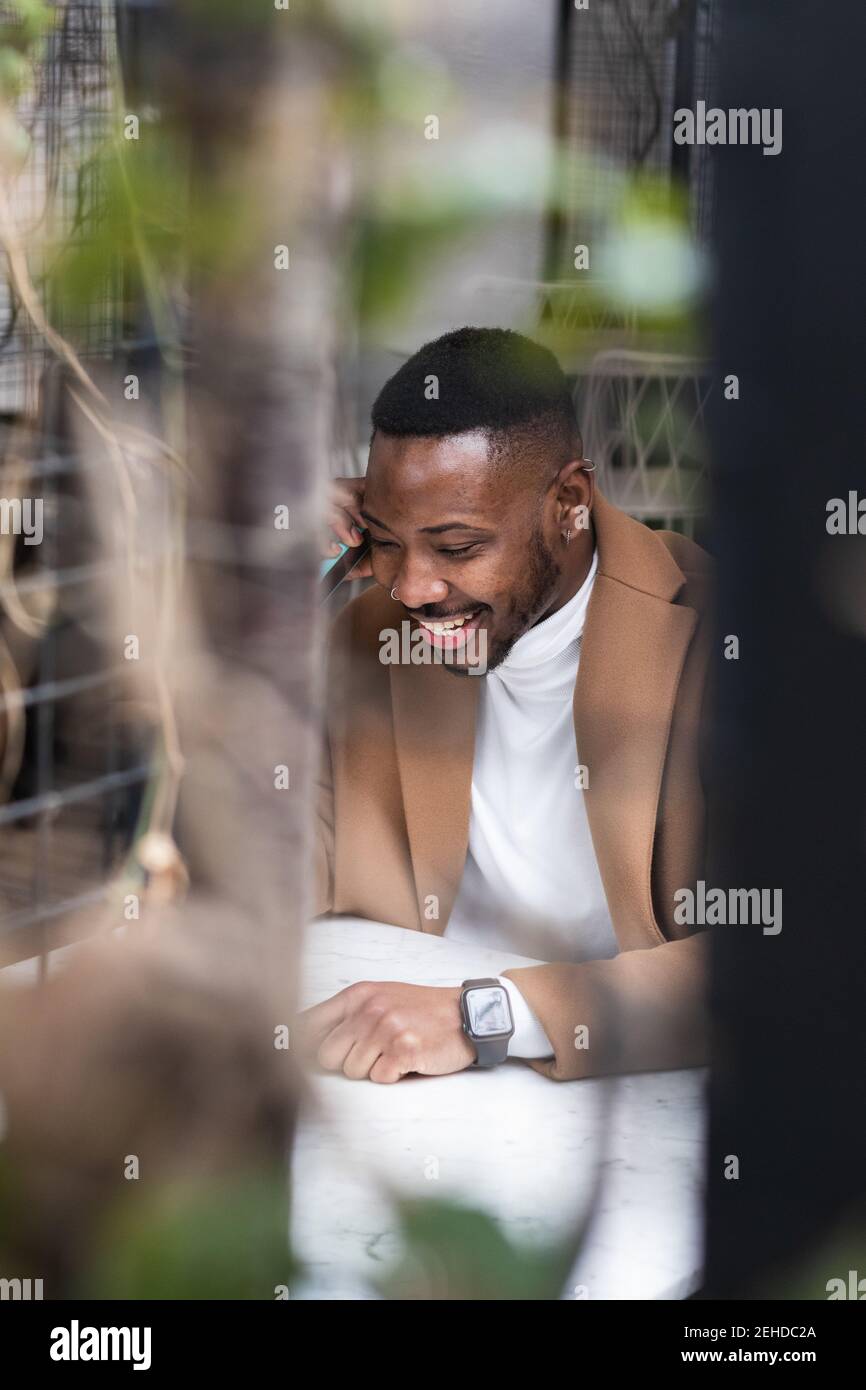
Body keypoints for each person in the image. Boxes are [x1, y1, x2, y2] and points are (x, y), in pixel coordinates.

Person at [300, 327, 712, 1083]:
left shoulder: (720, 639)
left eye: (455, 548)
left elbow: (784, 957)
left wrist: (481, 1015)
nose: (413, 587)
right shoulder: (372, 630)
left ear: (569, 504)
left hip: (619, 1112)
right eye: (388, 541)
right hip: (397, 1094)